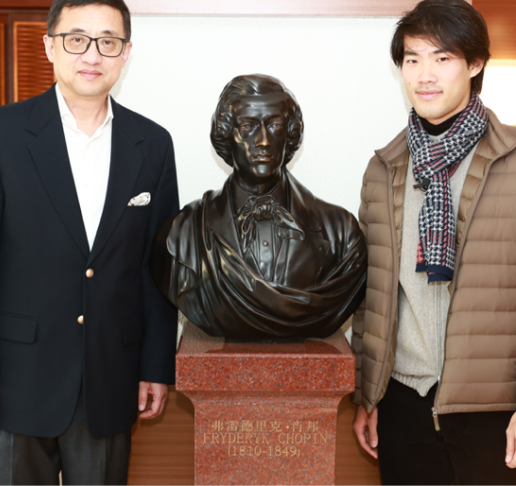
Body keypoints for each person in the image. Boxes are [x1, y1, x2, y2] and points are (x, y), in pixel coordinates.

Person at [0, 0, 179, 485]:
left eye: (108, 42)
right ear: (50, 46)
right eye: (77, 39)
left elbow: (157, 269)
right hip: (16, 378)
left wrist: (156, 366)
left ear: (126, 53)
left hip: (109, 380)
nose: (92, 55)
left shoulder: (153, 144)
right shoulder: (0, 133)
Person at [352, 0, 516, 485]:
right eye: (412, 59)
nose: (424, 75)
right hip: (403, 402)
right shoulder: (384, 168)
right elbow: (371, 296)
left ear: (475, 64)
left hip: (493, 408)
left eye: (442, 58)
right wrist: (367, 395)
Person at [151, 74, 366, 340]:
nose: (263, 140)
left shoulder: (342, 235)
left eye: (275, 125)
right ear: (226, 135)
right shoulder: (182, 235)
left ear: (289, 135)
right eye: (248, 126)